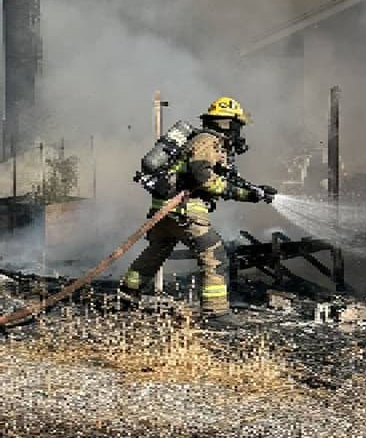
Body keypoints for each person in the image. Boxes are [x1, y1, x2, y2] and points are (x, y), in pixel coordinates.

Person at [118, 96, 276, 326]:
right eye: (237, 126)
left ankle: (126, 297)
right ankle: (216, 314)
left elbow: (222, 181)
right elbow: (202, 176)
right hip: (185, 209)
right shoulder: (207, 140)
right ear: (228, 124)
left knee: (156, 252)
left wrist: (253, 194)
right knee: (215, 255)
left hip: (164, 209)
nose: (238, 132)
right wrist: (231, 191)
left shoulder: (207, 142)